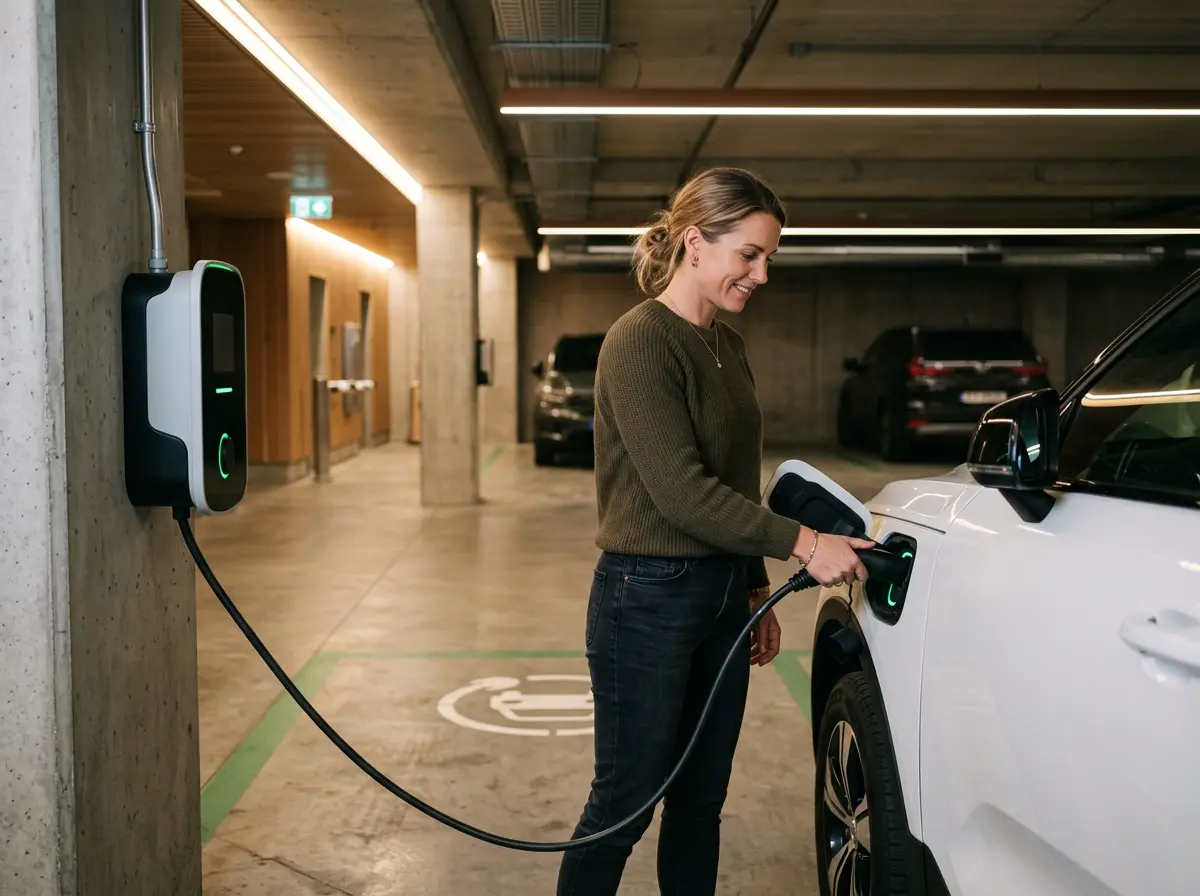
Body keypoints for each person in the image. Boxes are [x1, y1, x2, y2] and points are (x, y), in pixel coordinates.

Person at [555, 166, 874, 895]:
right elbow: (681, 494)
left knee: (699, 804)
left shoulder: (729, 349)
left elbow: (733, 474)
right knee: (623, 806)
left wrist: (752, 584)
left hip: (721, 598)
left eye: (769, 258)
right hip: (647, 600)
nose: (761, 274)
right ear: (695, 243)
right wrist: (803, 543)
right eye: (750, 255)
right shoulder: (640, 344)